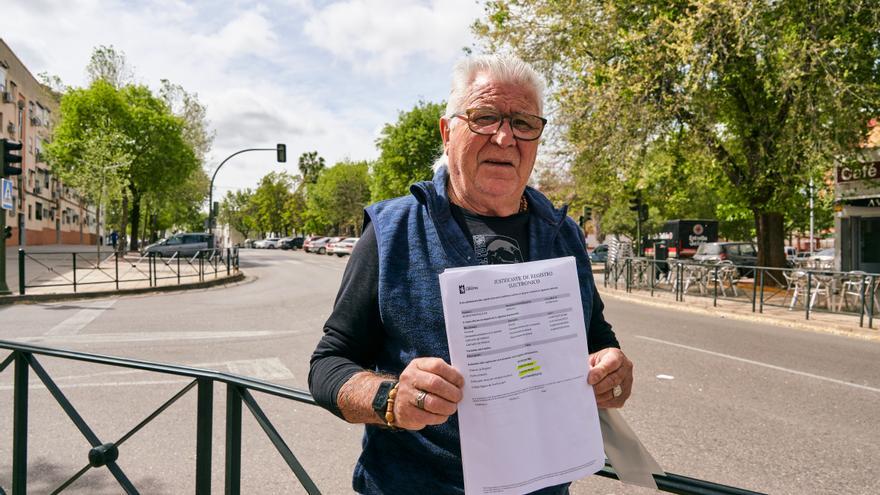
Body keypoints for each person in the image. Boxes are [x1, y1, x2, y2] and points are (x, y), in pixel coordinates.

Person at [309, 54, 634, 495]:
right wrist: (391, 400)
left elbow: (595, 333)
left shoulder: (564, 234)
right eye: (484, 118)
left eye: (523, 123)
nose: (504, 138)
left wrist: (610, 365)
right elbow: (328, 365)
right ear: (448, 133)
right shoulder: (393, 232)